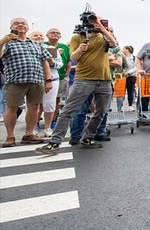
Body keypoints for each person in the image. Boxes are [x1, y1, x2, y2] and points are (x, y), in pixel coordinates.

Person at [37, 12, 117, 154]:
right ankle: (55, 142)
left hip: (104, 80)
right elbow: (73, 57)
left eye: (96, 18)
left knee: (101, 111)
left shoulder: (102, 35)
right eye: (92, 19)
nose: (94, 21)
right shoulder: (77, 37)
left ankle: (88, 137)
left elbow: (113, 43)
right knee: (69, 110)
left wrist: (101, 27)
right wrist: (80, 49)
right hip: (84, 79)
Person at [1, 19, 53, 146]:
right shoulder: (7, 43)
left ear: (27, 27)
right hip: (15, 81)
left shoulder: (37, 44)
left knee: (34, 107)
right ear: (11, 27)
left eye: (23, 23)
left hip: (36, 80)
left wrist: (48, 80)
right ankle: (10, 136)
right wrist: (2, 41)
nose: (20, 25)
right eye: (16, 23)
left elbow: (45, 62)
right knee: (12, 108)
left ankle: (29, 134)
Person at [29, 30, 62, 137]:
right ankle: (33, 128)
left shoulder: (51, 49)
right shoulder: (27, 48)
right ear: (30, 38)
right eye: (35, 35)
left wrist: (52, 62)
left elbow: (60, 64)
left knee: (50, 105)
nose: (39, 37)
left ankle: (47, 128)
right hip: (33, 81)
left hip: (52, 80)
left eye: (40, 35)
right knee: (33, 106)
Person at [45, 27, 71, 122]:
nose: (55, 34)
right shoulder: (43, 45)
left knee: (56, 101)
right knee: (40, 102)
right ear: (47, 35)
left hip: (60, 77)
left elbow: (68, 62)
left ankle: (53, 121)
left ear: (60, 36)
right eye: (52, 32)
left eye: (57, 33)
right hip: (45, 78)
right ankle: (37, 122)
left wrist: (66, 75)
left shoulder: (65, 47)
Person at [122, 46, 137, 111]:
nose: (122, 50)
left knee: (130, 91)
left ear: (127, 50)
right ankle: (121, 106)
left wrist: (129, 73)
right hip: (123, 77)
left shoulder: (134, 58)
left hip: (132, 76)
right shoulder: (122, 57)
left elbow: (136, 67)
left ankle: (130, 106)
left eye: (123, 49)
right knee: (122, 91)